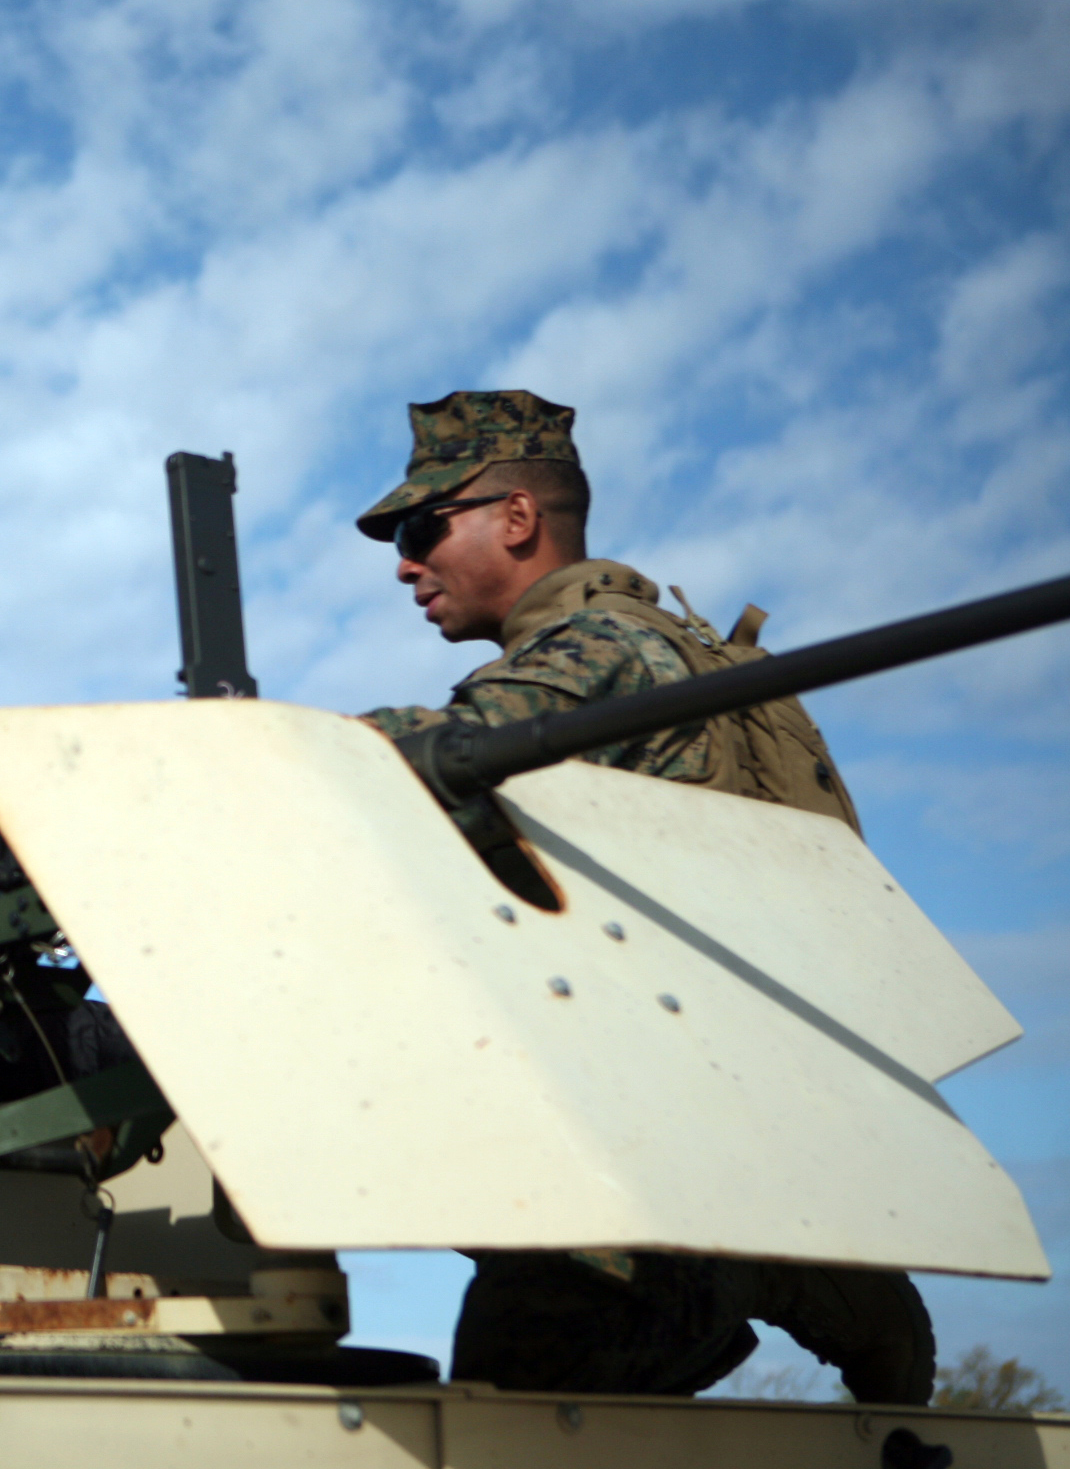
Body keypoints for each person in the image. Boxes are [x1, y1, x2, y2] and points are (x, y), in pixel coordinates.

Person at [355, 389, 932, 1404]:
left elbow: (429, 768)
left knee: (513, 1417)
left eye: (422, 527)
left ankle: (730, 1273)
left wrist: (243, 754)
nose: (405, 561)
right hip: (767, 1106)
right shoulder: (704, 657)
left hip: (635, 1149)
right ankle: (800, 1268)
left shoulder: (605, 654)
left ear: (520, 519)